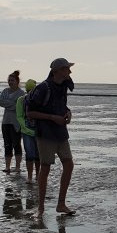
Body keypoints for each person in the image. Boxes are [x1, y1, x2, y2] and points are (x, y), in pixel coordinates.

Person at [26, 59, 75, 216]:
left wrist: (68, 113)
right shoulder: (43, 88)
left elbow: (62, 105)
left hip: (61, 132)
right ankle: (40, 208)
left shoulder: (63, 86)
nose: (70, 72)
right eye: (66, 69)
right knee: (45, 168)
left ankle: (61, 204)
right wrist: (52, 117)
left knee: (69, 164)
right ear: (57, 71)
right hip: (46, 133)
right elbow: (30, 112)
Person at [0, 70, 24, 173]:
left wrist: (9, 104)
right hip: (5, 122)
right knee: (7, 144)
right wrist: (13, 104)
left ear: (17, 81)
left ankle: (17, 167)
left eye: (12, 80)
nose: (10, 82)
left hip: (16, 123)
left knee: (16, 144)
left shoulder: (21, 93)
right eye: (9, 80)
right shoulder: (5, 91)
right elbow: (0, 101)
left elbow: (20, 107)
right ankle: (7, 167)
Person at [16, 79, 40, 184]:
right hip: (27, 132)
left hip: (39, 131)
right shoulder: (21, 100)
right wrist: (25, 128)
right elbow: (19, 116)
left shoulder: (40, 100)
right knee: (30, 155)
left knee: (39, 155)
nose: (31, 92)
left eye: (33, 90)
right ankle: (30, 177)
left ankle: (38, 176)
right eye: (29, 90)